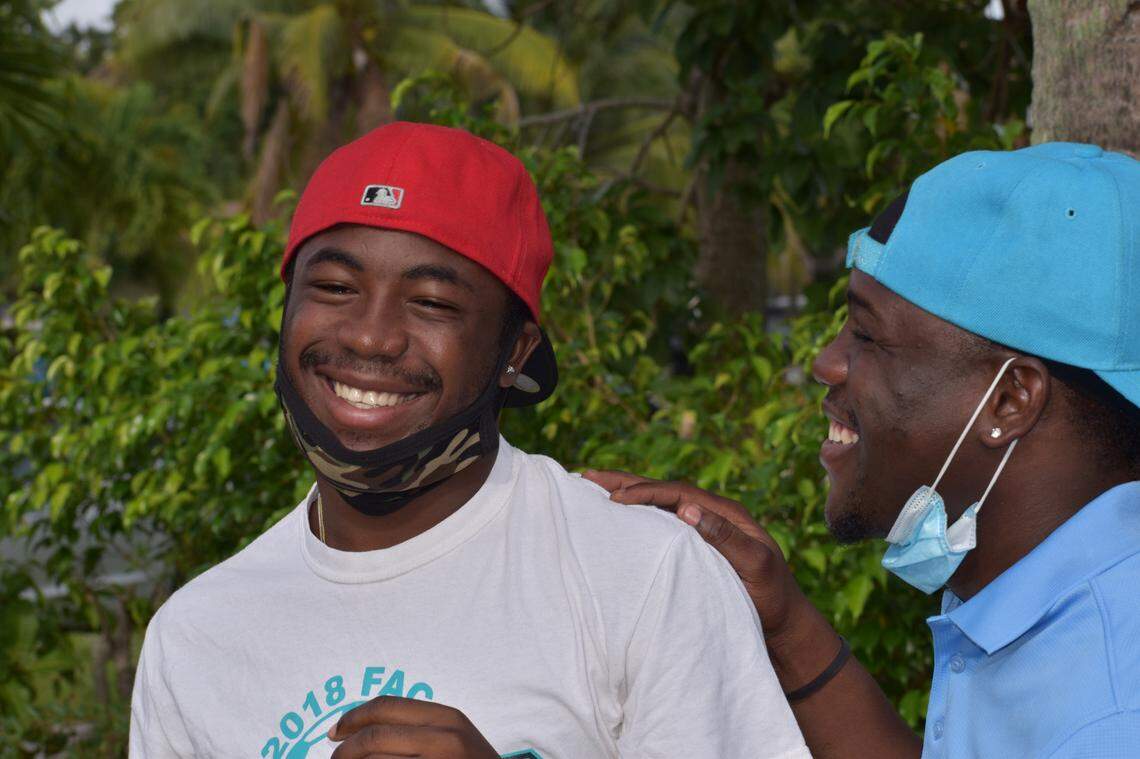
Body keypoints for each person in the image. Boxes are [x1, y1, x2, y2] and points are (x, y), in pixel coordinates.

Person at [128, 122, 810, 759]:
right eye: (335, 287)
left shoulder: (640, 577)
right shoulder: (195, 637)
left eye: (432, 302)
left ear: (516, 349)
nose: (369, 336)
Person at [587, 142, 1140, 758]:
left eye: (868, 334)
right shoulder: (1049, 597)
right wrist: (788, 624)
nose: (826, 363)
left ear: (1008, 402)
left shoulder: (1111, 716)